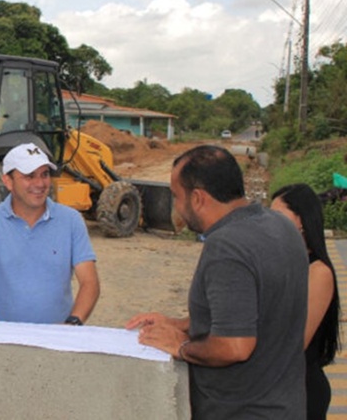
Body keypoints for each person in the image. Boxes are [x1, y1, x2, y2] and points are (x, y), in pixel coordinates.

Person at [126, 145, 309, 419]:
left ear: (197, 198)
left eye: (177, 197)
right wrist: (180, 324)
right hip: (287, 407)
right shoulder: (282, 226)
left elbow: (234, 346)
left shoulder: (227, 246)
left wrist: (181, 347)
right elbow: (256, 310)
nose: (176, 207)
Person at [0, 142, 100, 324]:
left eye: (45, 175)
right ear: (8, 182)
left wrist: (74, 322)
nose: (40, 183)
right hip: (2, 334)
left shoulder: (71, 221)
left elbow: (89, 281)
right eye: (29, 176)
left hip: (57, 336)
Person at [271, 183, 341, 420]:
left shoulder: (318, 272)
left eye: (278, 216)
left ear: (301, 220)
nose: (271, 223)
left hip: (302, 393)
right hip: (277, 389)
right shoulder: (285, 262)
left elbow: (295, 342)